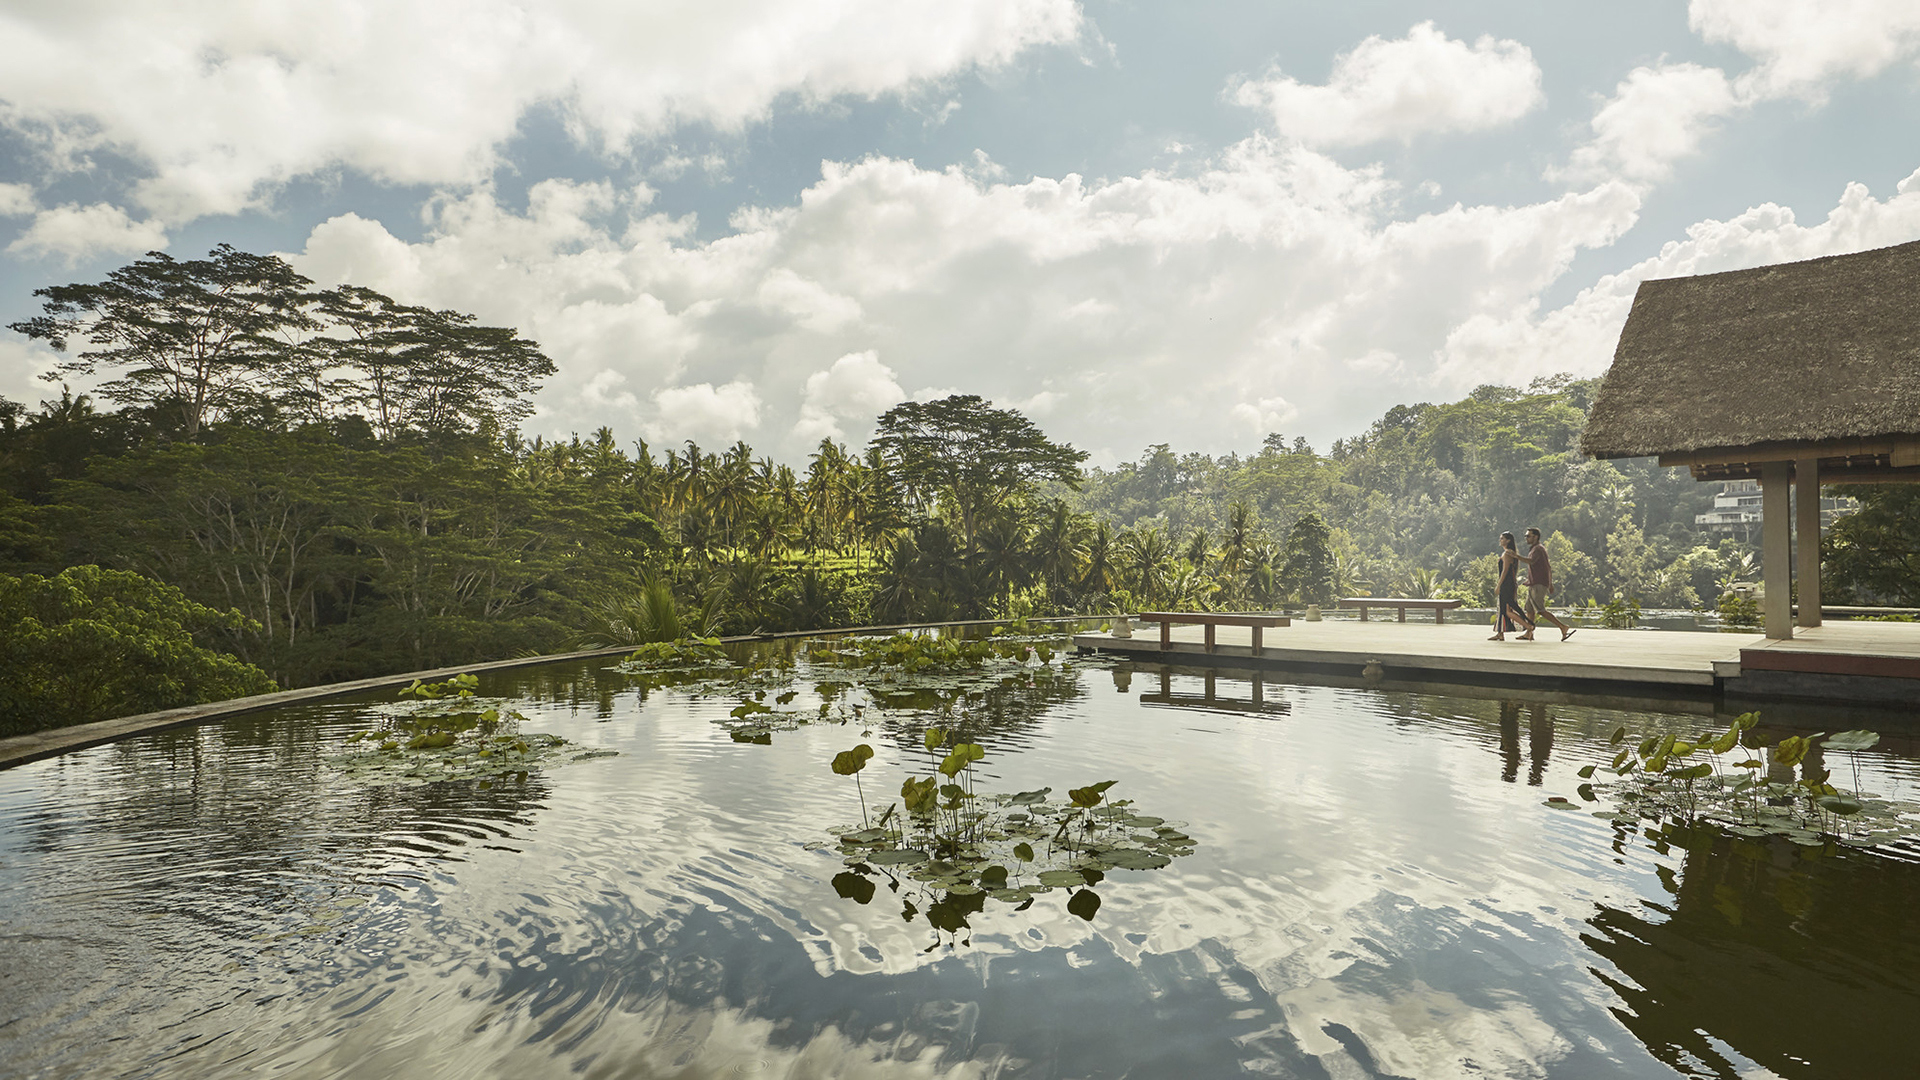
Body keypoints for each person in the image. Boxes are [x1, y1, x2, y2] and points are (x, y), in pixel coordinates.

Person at [1521, 527, 1575, 642]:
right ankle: (1529, 633)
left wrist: (1516, 556)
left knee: (1540, 610)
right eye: (1526, 536)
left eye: (1528, 536)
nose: (1526, 538)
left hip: (1539, 584)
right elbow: (1548, 567)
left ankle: (1563, 627)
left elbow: (1531, 562)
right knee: (1529, 609)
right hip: (1533, 583)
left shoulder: (1538, 549)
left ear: (1535, 537)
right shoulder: (1534, 549)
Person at [1491, 531, 1535, 641]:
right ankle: (1500, 633)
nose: (1500, 540)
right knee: (1502, 609)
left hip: (1506, 584)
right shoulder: (1509, 552)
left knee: (1507, 610)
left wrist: (1498, 585)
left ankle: (1528, 626)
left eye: (1502, 538)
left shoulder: (1507, 554)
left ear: (1508, 540)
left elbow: (1505, 571)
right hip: (1508, 584)